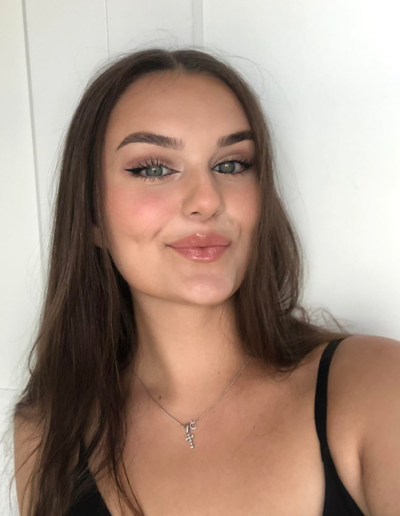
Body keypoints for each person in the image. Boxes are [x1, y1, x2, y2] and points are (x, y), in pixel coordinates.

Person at [12, 47, 400, 516]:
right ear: (92, 215)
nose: (207, 200)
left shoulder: (375, 385)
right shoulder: (48, 434)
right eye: (153, 168)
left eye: (231, 165)